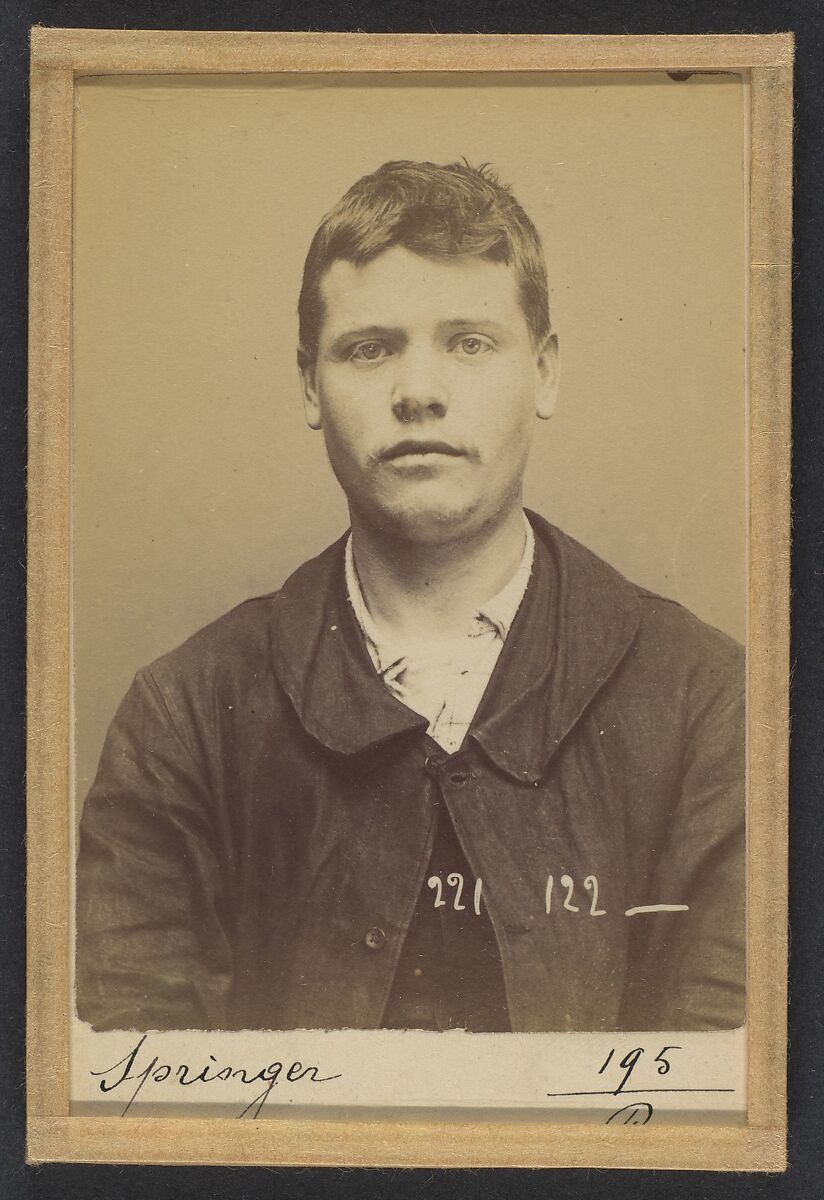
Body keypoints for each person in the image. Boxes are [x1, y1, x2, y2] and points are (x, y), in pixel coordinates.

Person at [76, 160, 745, 1035]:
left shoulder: (709, 700)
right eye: (368, 347)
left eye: (469, 342)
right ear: (311, 385)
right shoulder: (185, 714)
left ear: (544, 374)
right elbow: (137, 1092)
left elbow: (731, 1089)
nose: (418, 391)